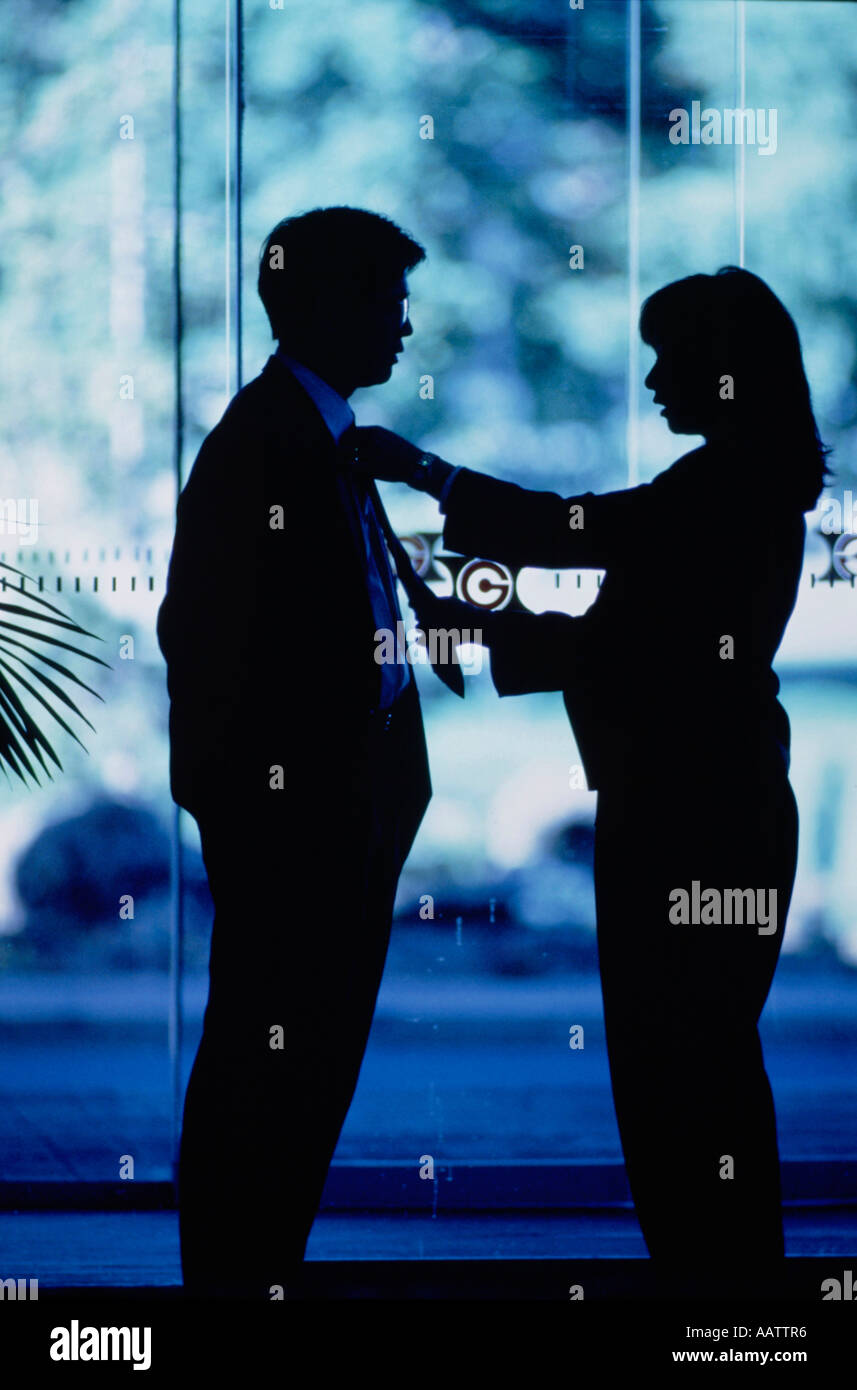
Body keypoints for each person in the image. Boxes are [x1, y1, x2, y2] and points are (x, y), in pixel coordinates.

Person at [357, 267, 831, 1283]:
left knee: (673, 1070)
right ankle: (732, 1299)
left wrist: (423, 475)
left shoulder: (714, 485)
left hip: (682, 814)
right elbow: (627, 637)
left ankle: (720, 1297)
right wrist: (483, 618)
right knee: (703, 1062)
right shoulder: (744, 483)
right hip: (726, 804)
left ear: (724, 372)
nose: (654, 377)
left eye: (671, 355)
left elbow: (567, 541)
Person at [157, 206, 436, 1297]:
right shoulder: (273, 443)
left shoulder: (312, 437)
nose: (404, 326)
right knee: (271, 1066)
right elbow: (210, 643)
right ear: (328, 302)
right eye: (387, 298)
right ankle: (237, 1282)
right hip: (303, 827)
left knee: (294, 1064)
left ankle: (249, 1274)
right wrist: (260, 811)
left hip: (334, 818)